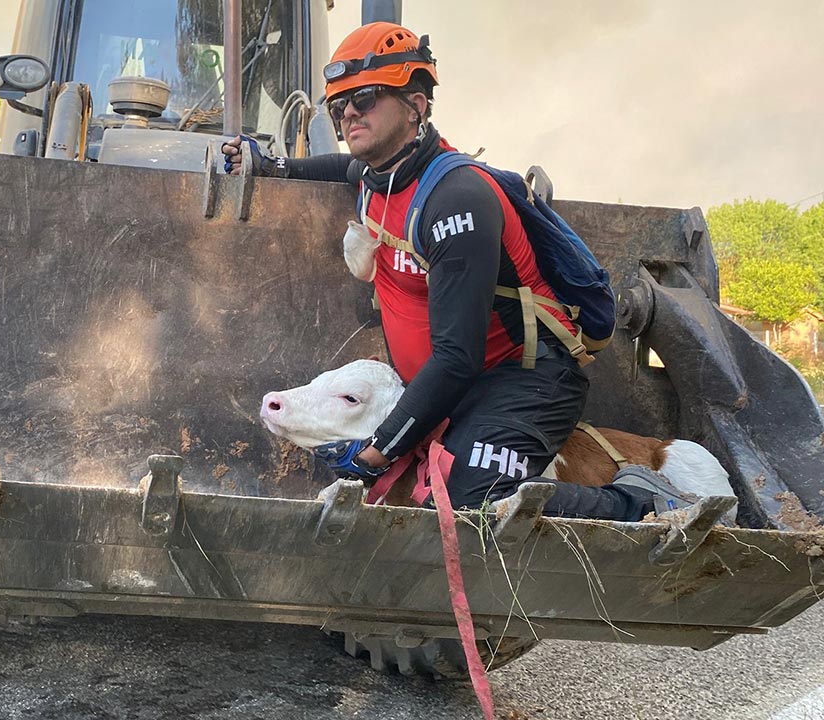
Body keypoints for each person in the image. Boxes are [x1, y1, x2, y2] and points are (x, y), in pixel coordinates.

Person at [223, 22, 698, 521]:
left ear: (415, 105)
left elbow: (457, 358)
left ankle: (643, 501)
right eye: (339, 104)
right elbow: (338, 169)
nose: (349, 113)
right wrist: (275, 165)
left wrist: (374, 454)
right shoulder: (378, 175)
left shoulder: (455, 199)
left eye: (364, 97)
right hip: (453, 380)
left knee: (473, 496)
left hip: (525, 378)